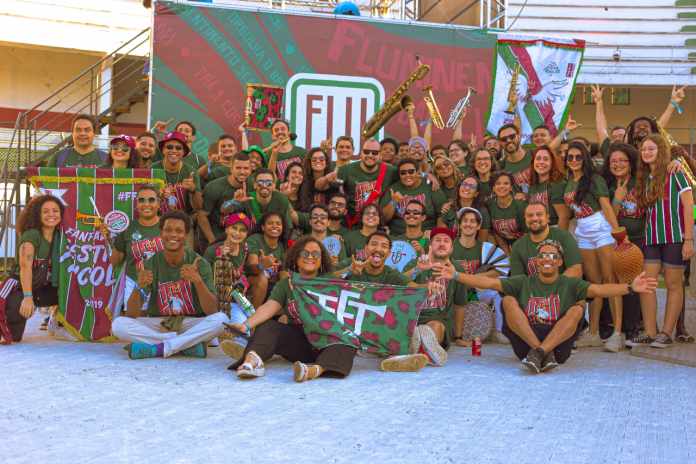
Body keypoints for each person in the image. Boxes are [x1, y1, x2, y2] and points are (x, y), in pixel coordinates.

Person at [436, 240, 658, 373]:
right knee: (508, 300)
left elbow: (599, 290)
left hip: (557, 348)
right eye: (543, 256)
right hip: (525, 346)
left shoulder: (570, 284)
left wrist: (630, 287)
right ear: (537, 261)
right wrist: (456, 275)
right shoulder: (524, 281)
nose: (548, 259)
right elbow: (489, 283)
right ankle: (539, 351)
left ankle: (541, 353)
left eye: (553, 256)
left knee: (578, 308)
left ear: (560, 262)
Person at [227, 236, 358, 382]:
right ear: (296, 257)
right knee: (268, 326)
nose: (310, 257)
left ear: (321, 260)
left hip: (329, 341)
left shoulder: (330, 282)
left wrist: (356, 271)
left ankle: (313, 371)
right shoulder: (286, 284)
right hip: (300, 343)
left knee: (348, 341)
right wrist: (245, 325)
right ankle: (252, 363)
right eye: (305, 253)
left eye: (316, 254)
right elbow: (269, 307)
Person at [112, 211, 226, 359]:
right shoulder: (150, 263)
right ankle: (184, 346)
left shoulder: (199, 263)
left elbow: (212, 310)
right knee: (118, 324)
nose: (173, 235)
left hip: (190, 323)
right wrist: (138, 286)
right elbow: (131, 314)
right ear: (161, 233)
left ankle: (159, 348)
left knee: (222, 320)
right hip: (160, 324)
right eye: (168, 230)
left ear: (186, 235)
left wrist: (198, 281)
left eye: (179, 231)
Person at [631, 134, 694, 348]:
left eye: (651, 148)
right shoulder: (644, 178)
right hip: (651, 238)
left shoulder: (675, 172)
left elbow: (688, 206)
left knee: (673, 284)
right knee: (647, 284)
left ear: (661, 150)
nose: (646, 152)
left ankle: (666, 333)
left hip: (675, 237)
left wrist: (688, 240)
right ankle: (650, 332)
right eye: (644, 149)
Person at [563, 141, 622, 349]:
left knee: (610, 279)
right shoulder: (569, 181)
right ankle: (594, 332)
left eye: (578, 157)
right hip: (583, 231)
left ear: (585, 159)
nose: (574, 160)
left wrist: (617, 233)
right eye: (570, 157)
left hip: (601, 228)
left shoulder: (594, 179)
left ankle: (617, 333)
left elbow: (606, 206)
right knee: (593, 283)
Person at [0, 195, 62, 343]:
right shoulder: (32, 234)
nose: (51, 215)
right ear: (37, 214)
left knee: (73, 293)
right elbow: (25, 267)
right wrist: (28, 297)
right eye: (45, 211)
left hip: (43, 288)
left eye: (55, 211)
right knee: (13, 337)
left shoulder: (61, 235)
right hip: (21, 287)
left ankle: (57, 320)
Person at [410, 227, 468, 366]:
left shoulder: (457, 269)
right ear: (430, 245)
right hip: (411, 316)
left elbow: (459, 305)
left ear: (451, 248)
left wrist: (458, 336)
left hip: (438, 318)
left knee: (434, 327)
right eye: (437, 240)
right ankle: (422, 351)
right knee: (411, 330)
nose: (442, 244)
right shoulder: (417, 263)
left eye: (446, 241)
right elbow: (401, 283)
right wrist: (417, 270)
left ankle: (417, 350)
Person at [450, 207, 507, 344]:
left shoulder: (484, 247)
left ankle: (499, 331)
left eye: (472, 221)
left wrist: (478, 278)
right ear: (460, 224)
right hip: (453, 292)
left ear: (478, 226)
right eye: (465, 221)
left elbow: (503, 268)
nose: (468, 224)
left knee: (501, 287)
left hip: (475, 291)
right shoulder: (450, 245)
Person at [202, 212, 253, 360]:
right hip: (221, 301)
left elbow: (243, 272)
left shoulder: (244, 249)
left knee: (254, 318)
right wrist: (221, 258)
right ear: (226, 229)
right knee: (241, 325)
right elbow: (205, 278)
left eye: (242, 230)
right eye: (234, 228)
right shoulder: (213, 251)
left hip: (237, 298)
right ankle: (239, 347)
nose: (237, 233)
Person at [111, 185, 164, 315]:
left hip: (163, 283)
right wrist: (107, 237)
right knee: (134, 322)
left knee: (161, 323)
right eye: (141, 200)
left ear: (159, 204)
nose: (146, 204)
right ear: (136, 204)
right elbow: (114, 261)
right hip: (134, 284)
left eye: (151, 200)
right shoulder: (128, 228)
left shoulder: (168, 226)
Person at [324, 138, 397, 226]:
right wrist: (326, 179)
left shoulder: (390, 171)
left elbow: (408, 175)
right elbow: (321, 188)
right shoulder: (346, 170)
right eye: (366, 152)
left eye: (374, 153)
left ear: (380, 155)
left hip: (376, 223)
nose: (370, 155)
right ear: (361, 153)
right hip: (352, 224)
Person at [510, 202, 582, 278]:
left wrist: (551, 285)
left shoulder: (563, 237)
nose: (534, 218)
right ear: (525, 219)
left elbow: (576, 270)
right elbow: (517, 280)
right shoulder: (518, 246)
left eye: (539, 214)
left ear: (547, 218)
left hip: (563, 285)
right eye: (530, 215)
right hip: (532, 286)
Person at [199, 152, 253, 246]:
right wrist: (212, 241)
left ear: (251, 170)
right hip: (218, 233)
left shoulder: (253, 185)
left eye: (246, 168)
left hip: (242, 234)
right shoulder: (214, 187)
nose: (242, 172)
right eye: (238, 168)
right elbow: (201, 215)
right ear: (231, 169)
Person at [381, 158, 447, 235]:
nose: (407, 175)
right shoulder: (393, 189)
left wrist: (438, 235)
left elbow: (442, 214)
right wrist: (394, 202)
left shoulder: (430, 185)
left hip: (426, 236)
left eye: (411, 171)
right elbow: (383, 219)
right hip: (399, 236)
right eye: (403, 173)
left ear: (418, 172)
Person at [152, 131, 203, 214]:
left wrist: (193, 190)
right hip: (157, 216)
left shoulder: (191, 172)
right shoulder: (152, 169)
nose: (173, 150)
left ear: (184, 152)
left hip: (183, 217)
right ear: (163, 150)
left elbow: (198, 207)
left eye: (178, 148)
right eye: (169, 147)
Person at [245, 212, 287, 307]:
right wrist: (262, 265)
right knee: (262, 278)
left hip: (271, 285)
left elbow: (282, 271)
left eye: (278, 223)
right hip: (250, 283)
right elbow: (251, 269)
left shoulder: (281, 246)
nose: (274, 226)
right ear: (263, 227)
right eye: (270, 223)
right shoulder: (255, 239)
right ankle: (253, 314)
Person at [528, 146, 569, 229]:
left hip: (555, 229)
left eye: (546, 159)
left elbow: (564, 217)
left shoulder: (557, 184)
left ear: (552, 163)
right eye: (538, 158)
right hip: (538, 229)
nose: (541, 162)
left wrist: (560, 237)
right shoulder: (532, 186)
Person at [439, 175, 491, 241]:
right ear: (459, 188)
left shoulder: (482, 211)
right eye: (464, 184)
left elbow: (482, 240)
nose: (467, 188)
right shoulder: (448, 207)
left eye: (472, 186)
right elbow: (442, 235)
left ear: (476, 194)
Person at [487, 171, 526, 254]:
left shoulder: (520, 206)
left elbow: (528, 234)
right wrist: (507, 254)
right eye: (498, 183)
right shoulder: (490, 205)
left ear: (511, 187)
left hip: (523, 245)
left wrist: (516, 253)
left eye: (506, 183)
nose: (502, 186)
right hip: (503, 245)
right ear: (493, 188)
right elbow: (495, 233)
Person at [497, 124, 531, 197]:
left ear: (519, 136)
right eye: (504, 139)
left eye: (512, 137)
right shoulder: (500, 167)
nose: (508, 140)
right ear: (500, 143)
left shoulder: (536, 155)